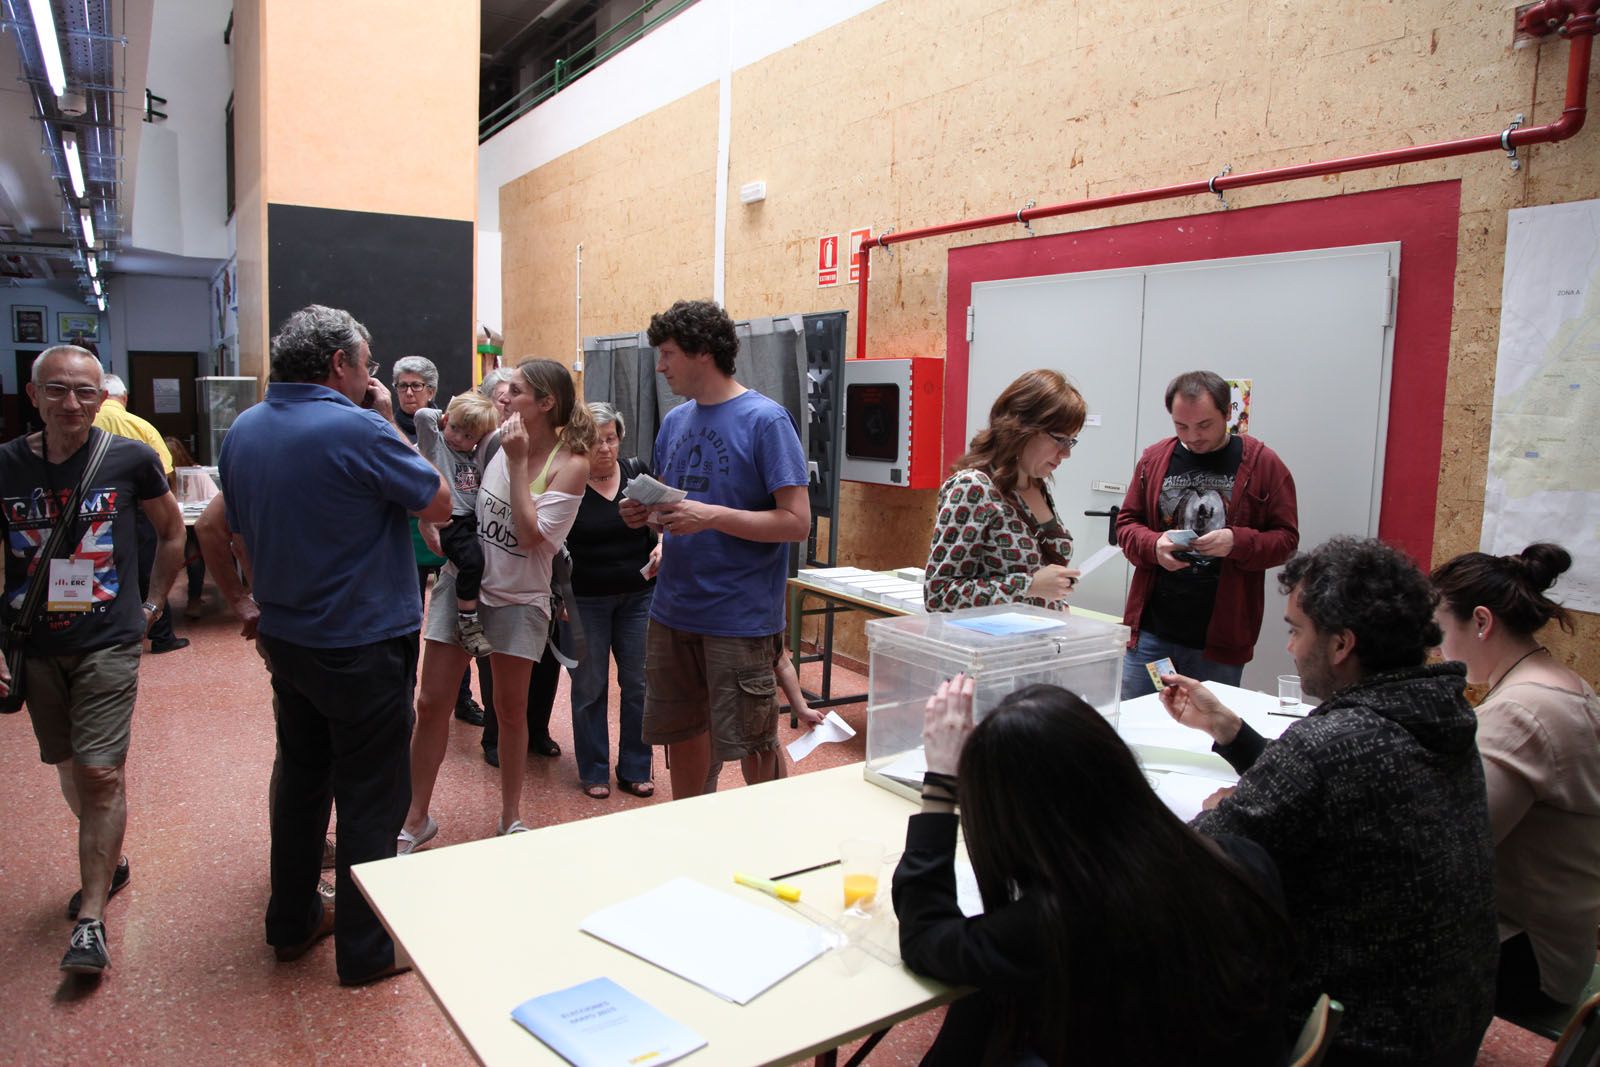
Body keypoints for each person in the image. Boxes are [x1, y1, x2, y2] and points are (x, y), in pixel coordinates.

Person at [1163, 536, 1497, 1066]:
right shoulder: (1441, 718)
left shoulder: (1329, 746)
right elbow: (1339, 784)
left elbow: (1182, 866)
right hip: (1445, 1026)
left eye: (1296, 631)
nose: (1291, 647)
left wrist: (1208, 815)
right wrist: (1231, 732)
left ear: (1342, 644)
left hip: (1350, 1040)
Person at [219, 305, 451, 986]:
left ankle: (290, 924)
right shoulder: (357, 426)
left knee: (301, 784)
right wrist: (385, 421)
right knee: (371, 797)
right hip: (360, 644)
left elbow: (233, 525)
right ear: (337, 365)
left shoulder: (245, 429)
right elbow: (435, 499)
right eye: (368, 363)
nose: (374, 376)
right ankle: (368, 950)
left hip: (287, 638)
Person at [894, 676, 1292, 1065]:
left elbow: (924, 936)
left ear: (1018, 821)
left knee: (984, 1003)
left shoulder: (1052, 924)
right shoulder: (1239, 859)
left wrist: (942, 782)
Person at [0, 344, 185, 975]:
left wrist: (153, 604)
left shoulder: (129, 458)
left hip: (108, 639)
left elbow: (171, 530)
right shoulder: (5, 467)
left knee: (101, 773)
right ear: (34, 396)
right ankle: (110, 855)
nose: (72, 403)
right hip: (35, 643)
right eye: (57, 390)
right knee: (70, 767)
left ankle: (91, 919)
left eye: (85, 391)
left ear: (102, 397)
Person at [618, 299, 810, 801]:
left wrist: (712, 516)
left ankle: (768, 847)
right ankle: (692, 843)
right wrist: (646, 517)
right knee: (681, 738)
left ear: (702, 352)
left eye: (667, 353)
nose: (660, 366)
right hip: (674, 610)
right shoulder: (676, 422)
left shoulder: (766, 421)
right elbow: (673, 508)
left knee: (753, 744)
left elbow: (796, 523)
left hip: (740, 617)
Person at [402, 358, 593, 846]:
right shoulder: (493, 439)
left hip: (519, 598)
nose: (503, 396)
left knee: (510, 712)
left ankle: (510, 816)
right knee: (430, 701)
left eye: (516, 390)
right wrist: (434, 523)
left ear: (546, 403)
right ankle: (414, 817)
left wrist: (513, 460)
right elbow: (452, 483)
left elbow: (531, 537)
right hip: (462, 584)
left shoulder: (569, 464)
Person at [1431, 543, 1600, 1014]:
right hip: (1555, 942)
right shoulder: (1558, 684)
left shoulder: (1525, 711)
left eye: (1441, 629)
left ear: (1481, 622)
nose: (1439, 647)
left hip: (1529, 960)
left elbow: (1453, 848)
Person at [1116, 370, 1298, 698]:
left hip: (1219, 643)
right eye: (1181, 426)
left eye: (1204, 425)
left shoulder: (1262, 463)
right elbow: (1127, 523)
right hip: (1153, 634)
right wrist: (1154, 544)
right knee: (1135, 723)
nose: (1193, 437)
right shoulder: (1155, 459)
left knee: (1207, 735)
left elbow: (1286, 540)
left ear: (1228, 414)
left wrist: (1237, 542)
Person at [924, 369, 1084, 612]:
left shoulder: (1036, 484)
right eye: (1059, 439)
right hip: (985, 644)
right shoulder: (973, 487)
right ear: (1023, 427)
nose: (1066, 453)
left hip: (1034, 641)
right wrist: (1028, 586)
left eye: (1071, 441)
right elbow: (938, 595)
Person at [566, 402, 659, 799]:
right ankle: (594, 769)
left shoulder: (637, 474)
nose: (604, 448)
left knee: (638, 683)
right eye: (595, 440)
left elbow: (666, 518)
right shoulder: (567, 480)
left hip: (639, 597)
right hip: (585, 599)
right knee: (590, 686)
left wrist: (663, 546)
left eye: (611, 438)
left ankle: (635, 766)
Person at [393, 355, 485, 727]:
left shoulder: (455, 425)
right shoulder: (387, 425)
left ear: (432, 391)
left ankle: (460, 696)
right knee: (409, 623)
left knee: (450, 620)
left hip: (452, 530)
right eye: (402, 386)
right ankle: (406, 696)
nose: (409, 393)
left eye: (417, 386)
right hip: (411, 539)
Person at [95, 374, 188, 653]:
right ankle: (160, 634)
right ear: (123, 398)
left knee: (104, 568)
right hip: (142, 508)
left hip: (95, 509)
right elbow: (166, 471)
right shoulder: (140, 425)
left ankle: (109, 632)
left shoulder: (87, 422)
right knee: (150, 568)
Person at [414, 391, 499, 657]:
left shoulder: (472, 456)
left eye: (468, 436)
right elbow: (421, 415)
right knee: (473, 562)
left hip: (472, 520)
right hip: (451, 521)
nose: (458, 439)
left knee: (482, 562)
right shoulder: (436, 444)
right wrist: (447, 416)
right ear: (446, 421)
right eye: (455, 429)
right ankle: (467, 622)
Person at [162, 436, 209, 617]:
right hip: (172, 526)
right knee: (193, 555)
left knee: (194, 555)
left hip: (185, 526)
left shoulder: (195, 474)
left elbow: (211, 500)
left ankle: (192, 600)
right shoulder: (158, 477)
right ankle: (193, 601)